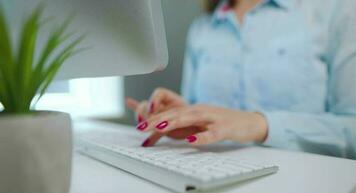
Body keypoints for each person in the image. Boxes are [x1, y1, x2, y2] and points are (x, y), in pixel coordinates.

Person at [126, 0, 356, 159]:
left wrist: (259, 124)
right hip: (212, 175)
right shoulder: (202, 29)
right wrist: (182, 118)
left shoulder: (336, 10)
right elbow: (200, 117)